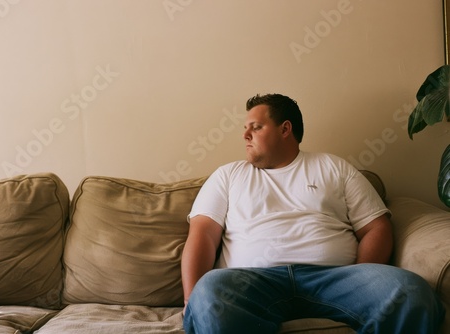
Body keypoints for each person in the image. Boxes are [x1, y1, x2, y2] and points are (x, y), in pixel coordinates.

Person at [181, 94, 445, 334]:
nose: (245, 135)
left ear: (285, 129)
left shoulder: (334, 167)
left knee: (410, 291)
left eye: (256, 127)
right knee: (209, 292)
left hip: (333, 279)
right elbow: (202, 234)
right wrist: (190, 299)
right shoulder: (228, 175)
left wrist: (359, 274)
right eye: (245, 128)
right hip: (252, 283)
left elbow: (376, 227)